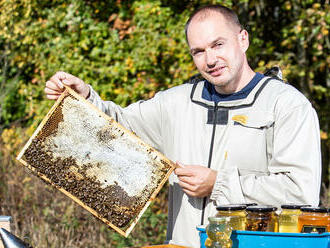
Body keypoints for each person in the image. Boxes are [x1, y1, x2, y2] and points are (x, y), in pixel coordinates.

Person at [44, 5, 322, 247]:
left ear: (243, 39)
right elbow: (119, 126)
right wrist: (86, 98)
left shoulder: (287, 105)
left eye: (218, 45)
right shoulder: (175, 102)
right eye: (198, 51)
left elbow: (301, 191)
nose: (210, 60)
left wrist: (218, 184)